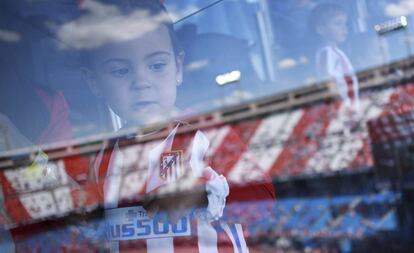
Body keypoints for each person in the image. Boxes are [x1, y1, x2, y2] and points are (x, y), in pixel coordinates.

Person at [77, 0, 275, 252]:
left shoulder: (207, 133)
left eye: (156, 66)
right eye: (120, 71)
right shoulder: (103, 157)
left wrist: (202, 193)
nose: (141, 82)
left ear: (178, 68)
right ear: (94, 82)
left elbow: (264, 200)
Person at [310, 3, 360, 113]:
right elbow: (328, 82)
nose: (344, 28)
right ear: (321, 29)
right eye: (338, 24)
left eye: (345, 24)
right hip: (345, 110)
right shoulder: (326, 52)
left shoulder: (337, 52)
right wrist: (341, 107)